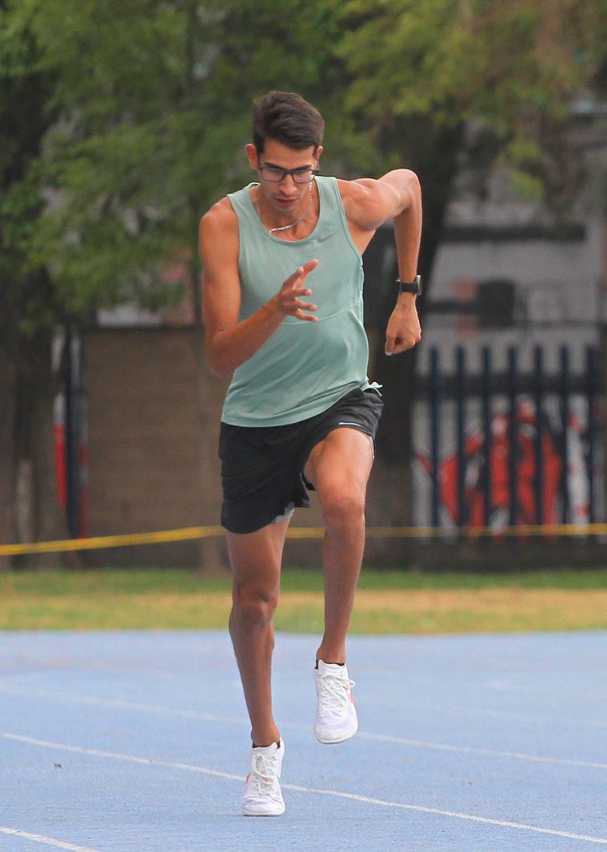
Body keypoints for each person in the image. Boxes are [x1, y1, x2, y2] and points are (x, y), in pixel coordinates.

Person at [199, 90, 423, 817]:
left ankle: (333, 660)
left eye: (301, 171)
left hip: (338, 396)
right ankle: (265, 749)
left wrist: (406, 296)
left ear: (317, 160)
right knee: (254, 602)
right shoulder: (224, 226)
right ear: (253, 158)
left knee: (346, 500)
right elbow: (219, 355)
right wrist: (273, 310)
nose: (289, 186)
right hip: (258, 419)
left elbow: (410, 188)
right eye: (276, 172)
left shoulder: (353, 204)